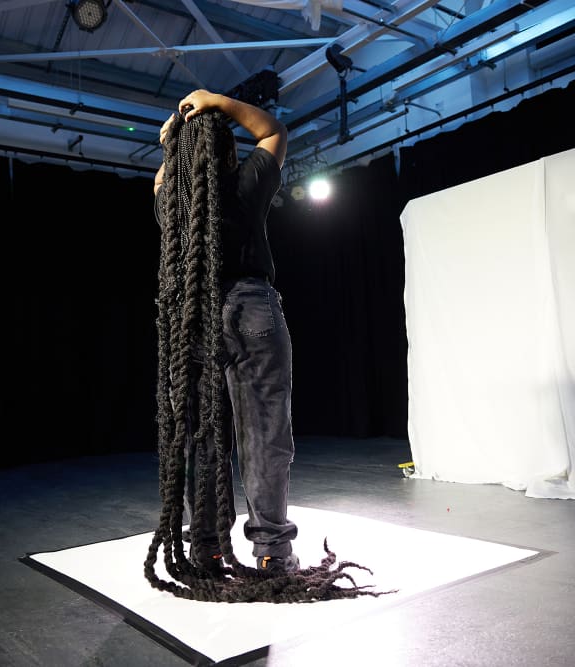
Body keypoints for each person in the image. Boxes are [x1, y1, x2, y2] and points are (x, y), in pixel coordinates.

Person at [142, 89, 390, 604]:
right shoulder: (243, 185)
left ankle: (207, 547)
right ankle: (273, 550)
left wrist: (171, 138)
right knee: (265, 437)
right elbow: (273, 131)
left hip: (196, 318)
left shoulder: (173, 204)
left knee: (201, 435)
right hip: (251, 307)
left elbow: (163, 180)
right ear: (225, 153)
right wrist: (219, 102)